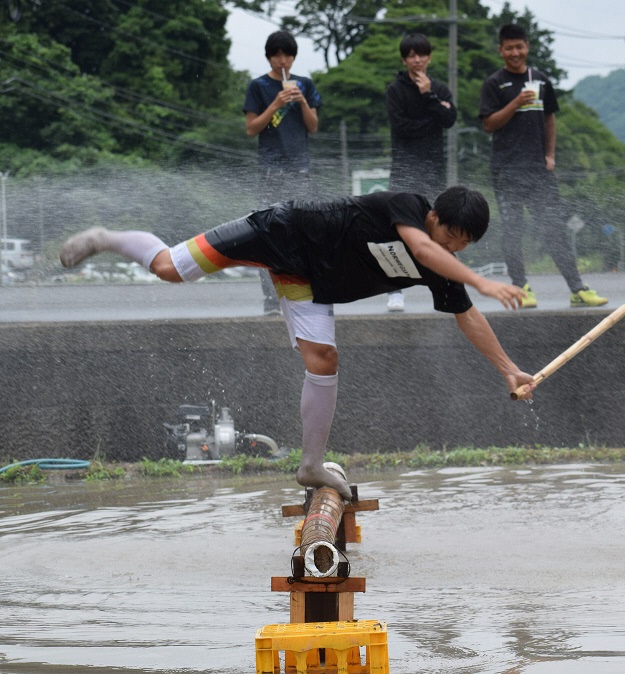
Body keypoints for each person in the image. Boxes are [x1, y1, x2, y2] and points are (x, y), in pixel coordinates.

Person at [58, 187, 534, 500]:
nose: (453, 249)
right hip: (280, 230)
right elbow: (424, 248)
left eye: (464, 245)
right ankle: (106, 237)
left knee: (324, 360)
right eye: (450, 235)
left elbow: (466, 317)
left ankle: (311, 466)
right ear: (432, 216)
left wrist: (508, 368)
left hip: (307, 281)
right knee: (169, 269)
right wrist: (485, 282)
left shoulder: (441, 264)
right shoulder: (406, 207)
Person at [479, 24, 606, 310]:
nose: (515, 53)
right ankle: (520, 288)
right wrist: (515, 103)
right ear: (501, 50)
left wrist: (550, 156)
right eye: (509, 48)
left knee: (554, 229)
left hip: (539, 170)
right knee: (513, 229)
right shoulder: (494, 84)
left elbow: (549, 119)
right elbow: (488, 124)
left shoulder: (541, 80)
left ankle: (577, 289)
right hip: (506, 170)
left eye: (519, 47)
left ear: (527, 47)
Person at [244, 30, 323, 316]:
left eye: (287, 55)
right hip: (270, 171)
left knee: (303, 231)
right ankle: (271, 298)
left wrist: (301, 101)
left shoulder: (305, 85)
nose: (282, 60)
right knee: (267, 232)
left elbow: (313, 127)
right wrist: (276, 103)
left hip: (300, 169)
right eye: (277, 55)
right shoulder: (258, 86)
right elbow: (251, 129)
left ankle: (304, 293)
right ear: (269, 57)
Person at [384, 33, 458, 314]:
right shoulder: (395, 90)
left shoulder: (438, 88)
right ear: (404, 59)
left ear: (429, 57)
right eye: (411, 55)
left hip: (434, 169)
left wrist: (430, 96)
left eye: (422, 54)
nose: (417, 60)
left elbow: (450, 120)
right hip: (403, 169)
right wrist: (434, 116)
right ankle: (395, 290)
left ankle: (443, 287)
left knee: (439, 228)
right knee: (399, 230)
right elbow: (402, 128)